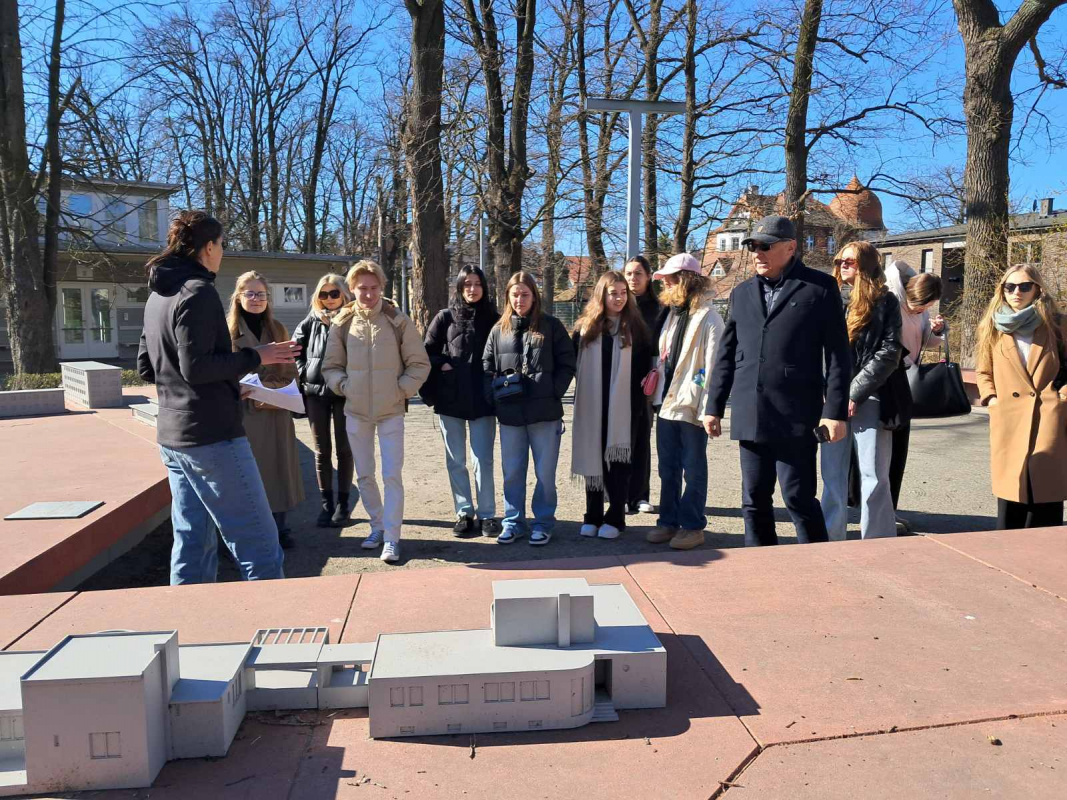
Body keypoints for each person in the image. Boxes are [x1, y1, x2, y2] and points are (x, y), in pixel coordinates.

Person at [137, 211, 297, 584]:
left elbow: (149, 368)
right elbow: (197, 368)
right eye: (221, 245)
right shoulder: (198, 290)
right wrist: (260, 355)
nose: (222, 252)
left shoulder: (157, 296)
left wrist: (228, 384)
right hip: (212, 437)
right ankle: (275, 633)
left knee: (192, 543)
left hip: (173, 436)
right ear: (208, 247)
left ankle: (189, 634)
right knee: (259, 545)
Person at [705, 215, 851, 546]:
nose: (757, 252)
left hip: (796, 414)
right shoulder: (741, 293)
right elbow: (727, 354)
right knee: (753, 500)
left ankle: (819, 568)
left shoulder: (820, 288)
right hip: (750, 412)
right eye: (753, 246)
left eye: (765, 246)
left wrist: (835, 411)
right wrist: (713, 406)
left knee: (798, 498)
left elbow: (839, 356)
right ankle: (761, 573)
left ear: (790, 248)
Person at [322, 260, 430, 564]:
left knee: (391, 475)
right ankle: (376, 526)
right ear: (352, 289)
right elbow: (330, 366)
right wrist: (343, 386)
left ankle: (393, 538)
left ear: (381, 287)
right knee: (365, 474)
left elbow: (419, 364)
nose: (368, 294)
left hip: (391, 411)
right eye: (361, 288)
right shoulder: (342, 322)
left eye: (373, 288)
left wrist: (401, 390)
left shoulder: (398, 320)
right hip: (356, 411)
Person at [483, 272, 577, 546]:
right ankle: (513, 522)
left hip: (544, 415)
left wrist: (551, 392)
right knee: (512, 472)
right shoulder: (498, 330)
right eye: (515, 294)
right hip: (510, 415)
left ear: (534, 296)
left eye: (525, 294)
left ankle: (544, 522)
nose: (520, 299)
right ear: (508, 297)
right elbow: (486, 366)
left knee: (545, 474)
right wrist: (495, 396)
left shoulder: (551, 326)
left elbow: (567, 363)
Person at [820, 241, 903, 540]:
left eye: (851, 261)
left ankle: (878, 541)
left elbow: (889, 352)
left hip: (871, 398)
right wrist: (830, 393)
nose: (843, 265)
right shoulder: (825, 298)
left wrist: (855, 393)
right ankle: (830, 539)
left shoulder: (885, 301)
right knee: (831, 475)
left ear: (866, 265)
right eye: (840, 260)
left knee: (874, 476)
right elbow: (816, 350)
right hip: (829, 402)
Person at [975, 263, 1067, 530]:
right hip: (1009, 416)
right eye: (1010, 286)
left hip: (1049, 414)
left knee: (1045, 487)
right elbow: (984, 371)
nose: (1017, 292)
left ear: (1037, 289)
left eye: (1025, 286)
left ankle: (1044, 556)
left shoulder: (1057, 324)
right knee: (1011, 490)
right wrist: (992, 400)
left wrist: (1062, 396)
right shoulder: (992, 326)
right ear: (1002, 290)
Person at [643, 253, 724, 550]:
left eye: (670, 279)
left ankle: (692, 525)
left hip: (691, 402)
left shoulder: (710, 318)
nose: (665, 284)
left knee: (693, 466)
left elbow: (713, 366)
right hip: (666, 401)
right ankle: (668, 521)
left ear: (686, 280)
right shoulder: (671, 314)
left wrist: (709, 409)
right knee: (668, 466)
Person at [571, 271, 653, 539]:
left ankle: (616, 517)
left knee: (618, 464)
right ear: (601, 295)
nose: (619, 298)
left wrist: (639, 404)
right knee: (592, 456)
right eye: (613, 292)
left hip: (625, 408)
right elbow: (575, 367)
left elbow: (644, 370)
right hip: (591, 406)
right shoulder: (584, 328)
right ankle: (592, 515)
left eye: (622, 292)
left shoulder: (636, 328)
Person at [228, 272, 307, 549]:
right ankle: (245, 533)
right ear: (238, 297)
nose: (256, 299)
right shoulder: (226, 331)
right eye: (249, 293)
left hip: (275, 410)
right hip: (240, 415)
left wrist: (263, 389)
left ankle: (279, 528)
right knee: (245, 475)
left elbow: (290, 373)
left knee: (277, 470)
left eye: (261, 294)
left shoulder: (278, 330)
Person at [422, 266, 502, 537]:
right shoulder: (444, 318)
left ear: (484, 287)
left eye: (477, 283)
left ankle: (488, 514)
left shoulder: (496, 319)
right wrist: (443, 364)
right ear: (458, 287)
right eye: (466, 284)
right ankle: (464, 512)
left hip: (483, 400)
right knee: (455, 460)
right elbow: (426, 352)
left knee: (483, 459)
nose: (472, 289)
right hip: (450, 399)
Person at [292, 274, 358, 529]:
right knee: (322, 451)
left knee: (344, 449)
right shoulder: (309, 321)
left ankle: (343, 505)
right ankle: (326, 505)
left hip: (344, 392)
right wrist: (304, 372)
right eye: (323, 294)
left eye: (334, 293)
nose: (329, 299)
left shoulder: (352, 319)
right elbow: (296, 352)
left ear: (344, 294)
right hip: (314, 393)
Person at [883, 262, 944, 533]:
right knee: (883, 453)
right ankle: (878, 514)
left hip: (907, 382)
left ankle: (889, 510)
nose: (922, 311)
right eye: (920, 306)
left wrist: (937, 331)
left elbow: (923, 342)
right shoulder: (890, 301)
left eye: (927, 307)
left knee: (898, 454)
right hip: (885, 383)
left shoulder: (918, 311)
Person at [623, 254, 664, 514]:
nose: (632, 278)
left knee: (641, 439)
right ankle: (616, 492)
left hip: (645, 384)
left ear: (649, 277)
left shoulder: (659, 309)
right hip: (615, 382)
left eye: (638, 273)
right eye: (628, 273)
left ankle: (639, 495)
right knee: (615, 439)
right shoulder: (615, 305)